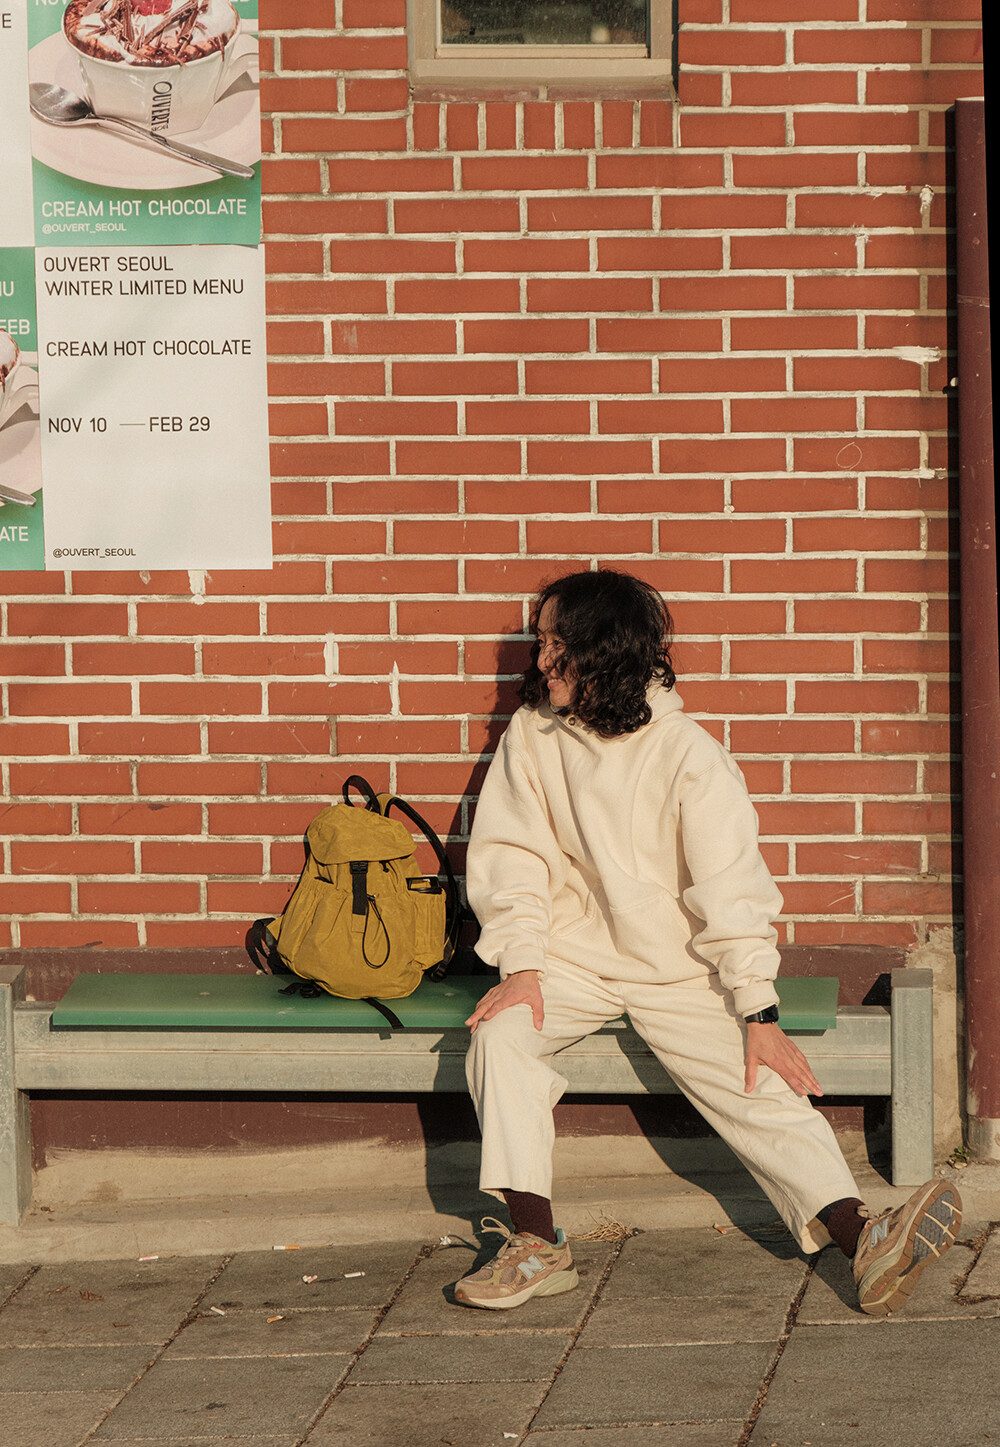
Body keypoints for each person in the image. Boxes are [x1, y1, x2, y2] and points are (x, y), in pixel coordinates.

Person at [454, 568, 961, 1313]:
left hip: (680, 969)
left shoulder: (688, 753)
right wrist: (523, 966)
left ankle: (866, 1239)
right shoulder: (533, 735)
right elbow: (512, 858)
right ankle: (534, 1243)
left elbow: (730, 887)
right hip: (570, 961)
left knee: (756, 1081)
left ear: (600, 651)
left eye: (555, 643)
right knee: (500, 1037)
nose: (541, 659)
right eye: (540, 642)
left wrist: (758, 1010)